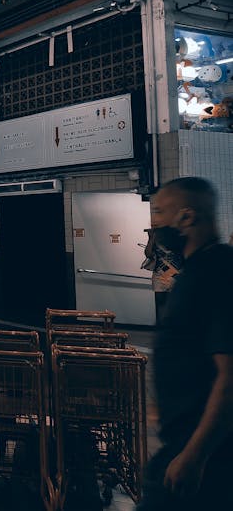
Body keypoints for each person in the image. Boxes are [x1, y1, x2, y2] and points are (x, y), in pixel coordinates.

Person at [137, 177, 233, 510]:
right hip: (187, 446)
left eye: (161, 212)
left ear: (187, 217)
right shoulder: (196, 271)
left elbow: (230, 375)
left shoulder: (217, 272)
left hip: (205, 455)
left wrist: (194, 455)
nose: (155, 223)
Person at [142, 225, 184, 320]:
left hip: (175, 274)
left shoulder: (177, 238)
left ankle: (172, 325)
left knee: (174, 302)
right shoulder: (156, 239)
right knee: (160, 302)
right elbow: (148, 254)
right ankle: (162, 325)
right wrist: (151, 238)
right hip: (160, 275)